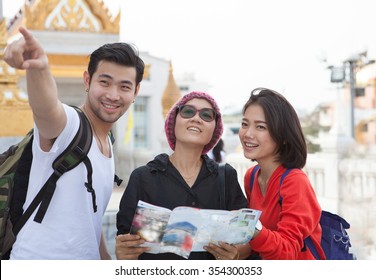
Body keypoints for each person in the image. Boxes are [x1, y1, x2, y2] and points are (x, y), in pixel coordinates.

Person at [3, 27, 145, 259]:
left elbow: (91, 216)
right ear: (87, 80)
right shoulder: (70, 126)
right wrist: (39, 68)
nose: (113, 95)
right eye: (105, 82)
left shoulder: (108, 145)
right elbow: (47, 109)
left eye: (124, 86)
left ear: (136, 91)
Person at [115, 91, 248, 260]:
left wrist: (234, 255)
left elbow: (243, 237)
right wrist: (124, 253)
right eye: (187, 112)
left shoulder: (226, 177)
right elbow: (126, 244)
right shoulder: (143, 177)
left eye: (207, 115)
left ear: (214, 130)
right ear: (174, 122)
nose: (196, 118)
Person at [237, 87, 326, 259]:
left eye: (260, 127)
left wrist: (253, 228)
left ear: (283, 136)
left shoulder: (295, 182)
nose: (247, 134)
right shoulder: (252, 176)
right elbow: (258, 243)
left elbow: (287, 251)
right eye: (244, 124)